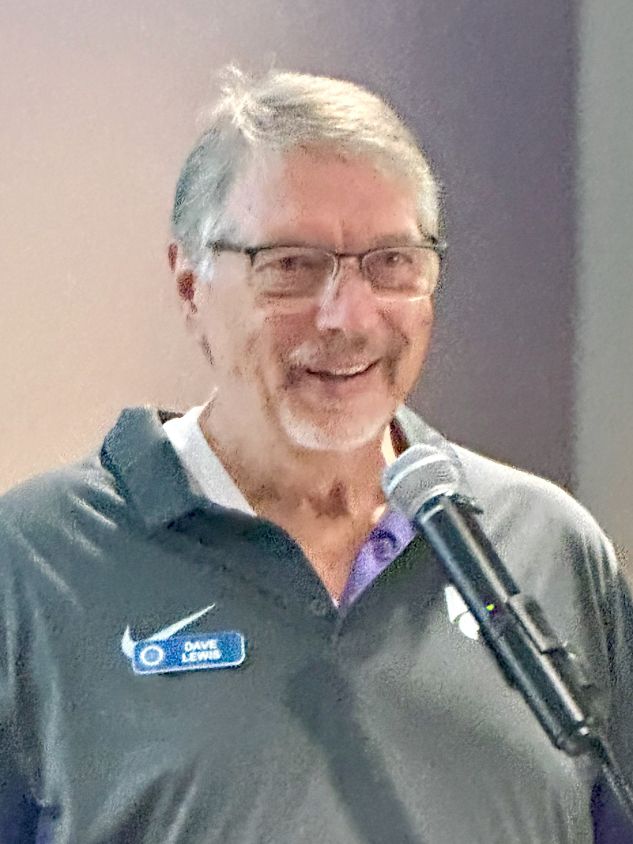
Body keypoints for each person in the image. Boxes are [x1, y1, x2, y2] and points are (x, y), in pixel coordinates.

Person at [1, 66, 632, 844]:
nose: (347, 317)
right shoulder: (35, 563)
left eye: (391, 262)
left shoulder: (544, 546)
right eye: (291, 266)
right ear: (190, 285)